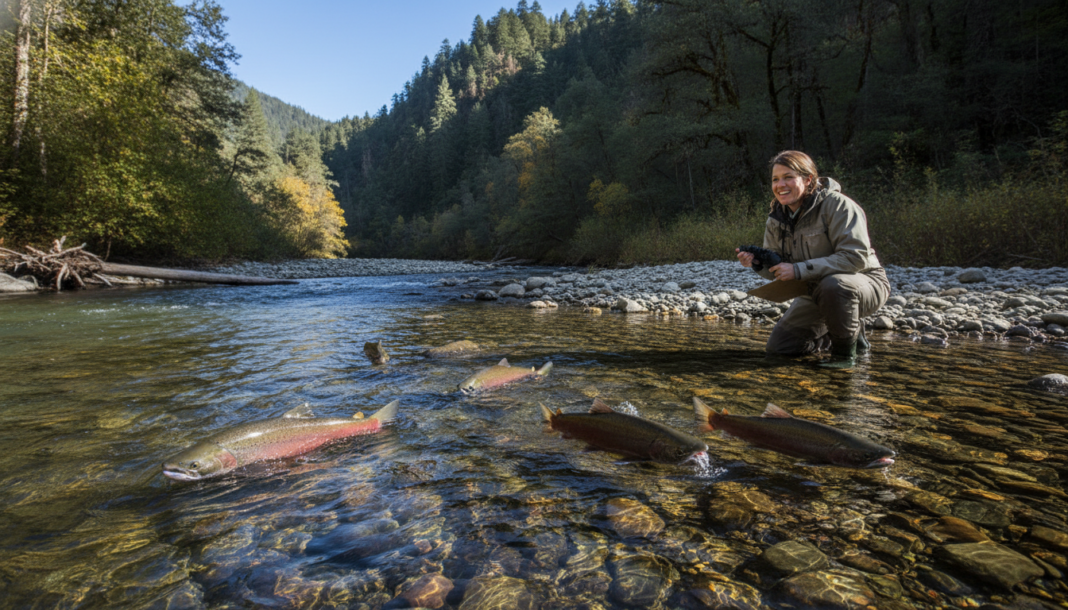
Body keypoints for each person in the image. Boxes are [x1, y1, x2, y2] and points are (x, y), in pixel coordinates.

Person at [736, 150, 890, 368]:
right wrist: (756, 264)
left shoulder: (838, 205)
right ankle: (848, 333)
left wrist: (798, 270)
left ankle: (845, 356)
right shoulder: (775, 218)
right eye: (775, 179)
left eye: (788, 177)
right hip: (815, 290)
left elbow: (855, 258)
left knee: (834, 285)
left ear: (808, 179)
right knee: (780, 349)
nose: (781, 185)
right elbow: (780, 269)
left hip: (864, 283)